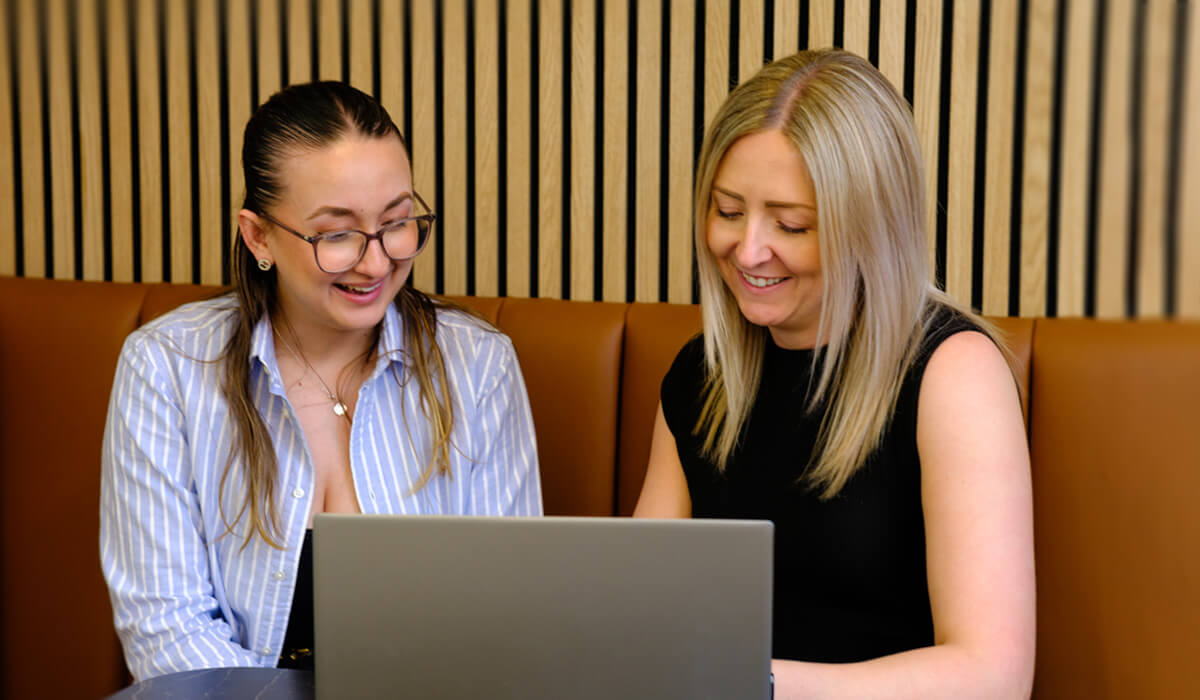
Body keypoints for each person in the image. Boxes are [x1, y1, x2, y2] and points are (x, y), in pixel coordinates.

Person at [100, 82, 542, 681]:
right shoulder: (165, 367)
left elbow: (507, 610)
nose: (377, 261)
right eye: (336, 234)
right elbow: (166, 627)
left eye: (398, 222)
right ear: (259, 236)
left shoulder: (478, 366)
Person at [634, 49, 1035, 698]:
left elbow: (993, 675)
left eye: (791, 224)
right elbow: (636, 606)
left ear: (868, 228)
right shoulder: (702, 376)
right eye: (728, 211)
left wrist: (754, 685)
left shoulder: (952, 375)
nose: (749, 249)